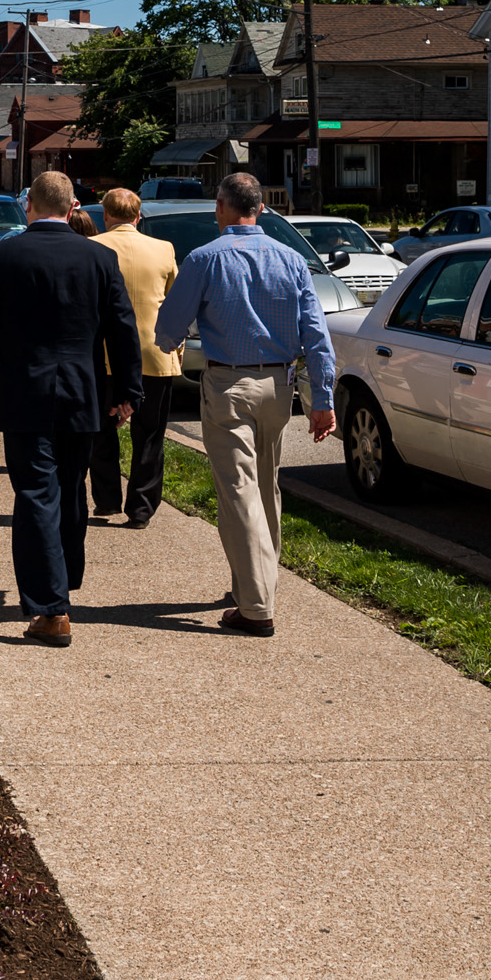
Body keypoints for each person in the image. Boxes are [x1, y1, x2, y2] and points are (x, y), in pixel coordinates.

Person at [0, 170, 143, 646]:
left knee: (36, 493)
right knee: (71, 490)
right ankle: (63, 581)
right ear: (74, 209)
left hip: (25, 391)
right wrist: (129, 391)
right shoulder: (100, 257)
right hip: (82, 393)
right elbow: (122, 328)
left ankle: (51, 610)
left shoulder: (1, 257)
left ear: (29, 204)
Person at [153, 171, 336, 638]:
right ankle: (253, 585)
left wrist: (171, 339)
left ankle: (256, 606)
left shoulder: (205, 259)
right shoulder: (292, 259)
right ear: (258, 209)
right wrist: (323, 399)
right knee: (265, 488)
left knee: (238, 491)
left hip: (228, 386)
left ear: (221, 206)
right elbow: (317, 335)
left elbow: (169, 327)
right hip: (280, 388)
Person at [89, 188, 180, 527]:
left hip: (102, 355)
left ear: (106, 215)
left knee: (100, 430)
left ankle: (107, 498)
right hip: (154, 355)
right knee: (150, 434)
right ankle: (141, 508)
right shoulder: (163, 249)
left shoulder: (94, 246)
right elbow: (173, 302)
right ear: (138, 217)